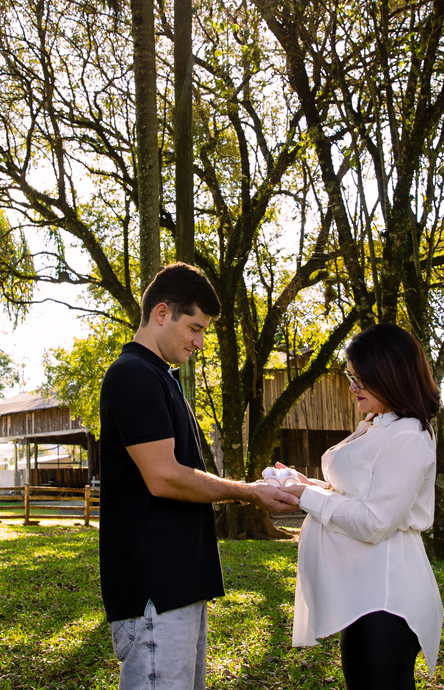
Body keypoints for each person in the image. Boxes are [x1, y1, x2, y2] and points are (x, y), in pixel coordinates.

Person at [98, 262, 300, 690]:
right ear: (161, 313)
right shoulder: (133, 376)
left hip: (180, 587)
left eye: (204, 331)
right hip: (154, 592)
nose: (199, 342)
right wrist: (249, 493)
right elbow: (164, 476)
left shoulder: (162, 378)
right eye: (194, 327)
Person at [277, 323, 444, 690]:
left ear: (391, 376)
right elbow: (358, 492)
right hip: (363, 592)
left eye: (360, 379)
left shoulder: (408, 437)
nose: (352, 388)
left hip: (387, 597)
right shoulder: (378, 424)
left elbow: (375, 521)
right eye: (350, 376)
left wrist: (306, 497)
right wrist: (309, 485)